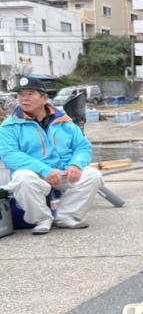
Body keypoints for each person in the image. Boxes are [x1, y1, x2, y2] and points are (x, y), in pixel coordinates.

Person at [0, 76, 102, 235]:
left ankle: (65, 216)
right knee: (21, 178)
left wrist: (76, 164)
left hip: (64, 172)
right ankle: (42, 219)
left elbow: (82, 146)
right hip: (35, 175)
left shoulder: (64, 121)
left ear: (44, 97)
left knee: (93, 175)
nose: (24, 98)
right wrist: (44, 170)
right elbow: (10, 155)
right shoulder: (9, 126)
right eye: (21, 94)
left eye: (30, 94)